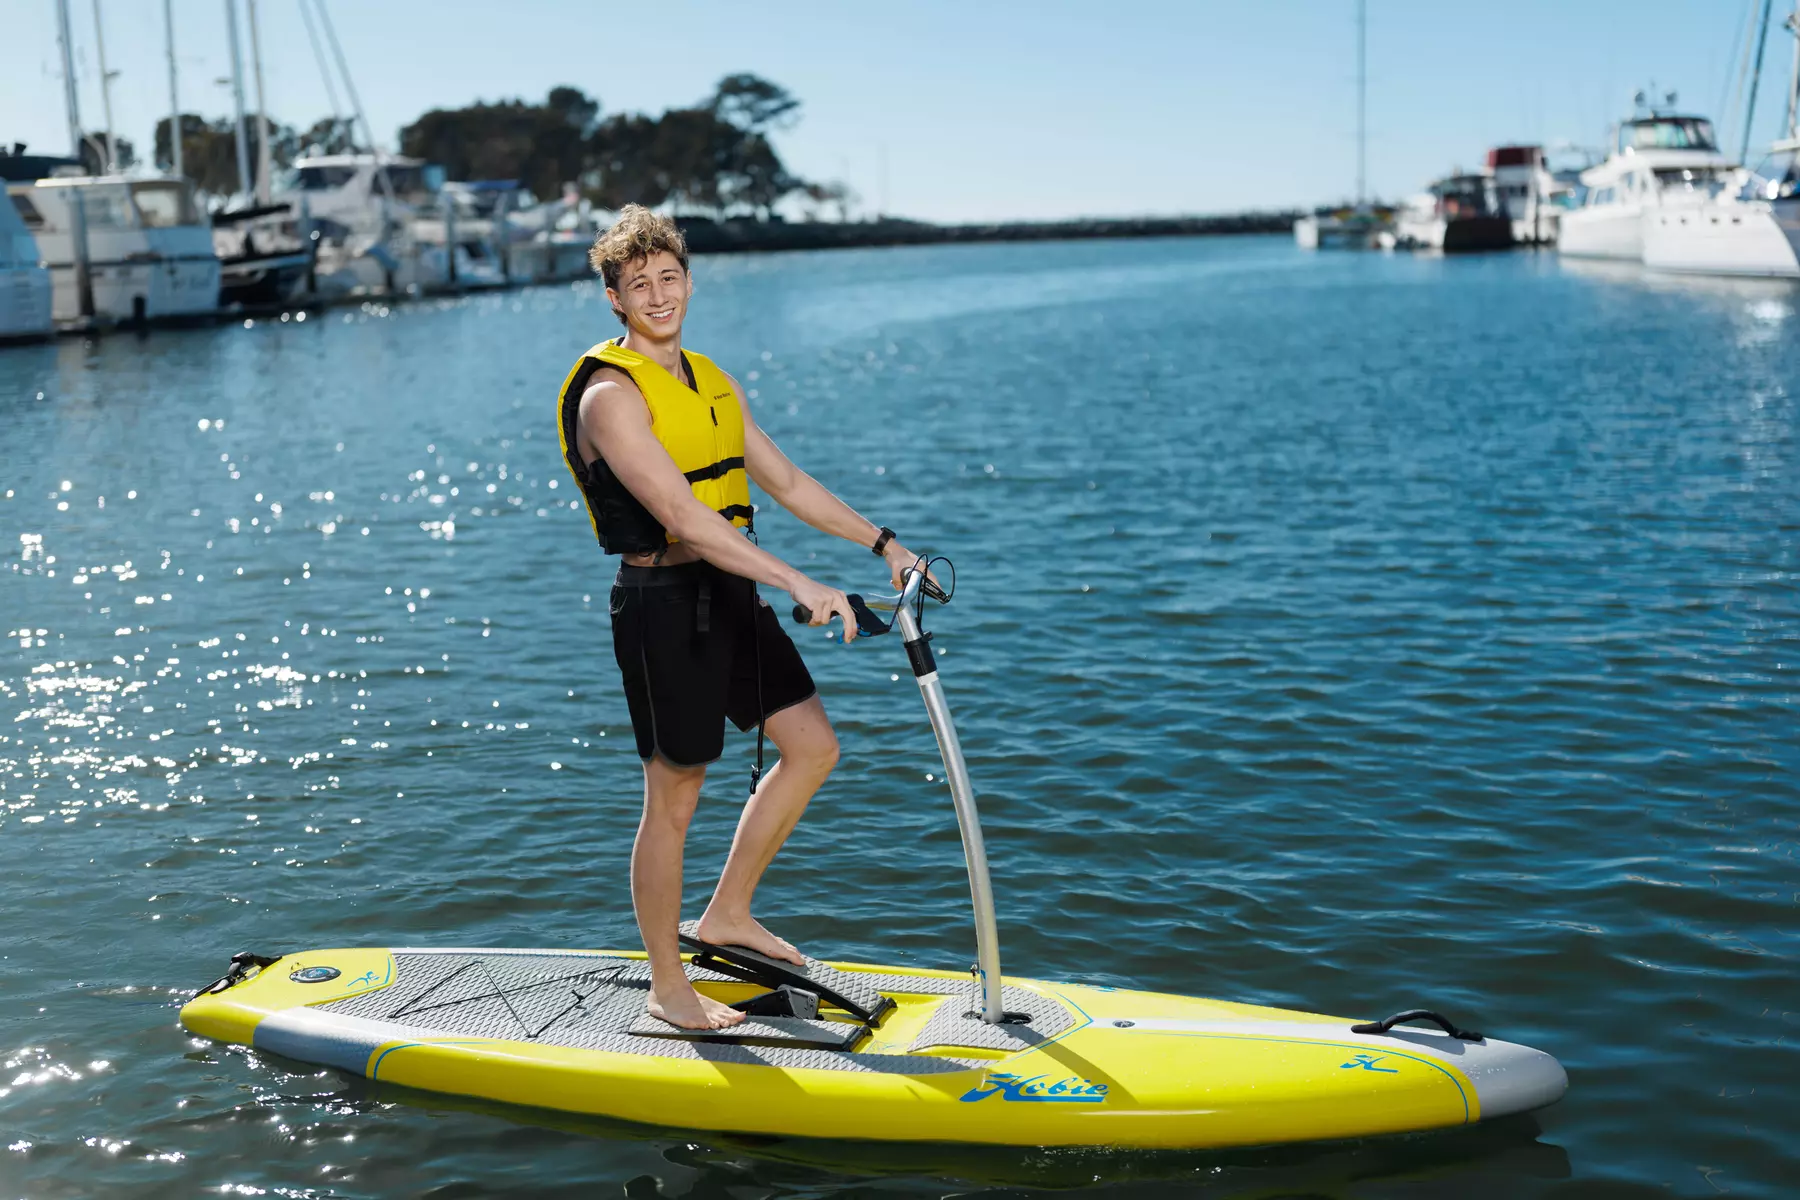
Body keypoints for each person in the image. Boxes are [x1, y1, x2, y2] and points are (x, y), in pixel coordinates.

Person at [556, 206, 924, 1030]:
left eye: (669, 277)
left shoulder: (710, 379)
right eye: (638, 284)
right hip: (661, 607)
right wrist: (800, 582)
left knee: (812, 746)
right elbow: (685, 518)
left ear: (688, 280)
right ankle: (667, 988)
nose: (658, 295)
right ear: (613, 298)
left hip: (730, 594)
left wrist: (884, 545)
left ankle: (726, 913)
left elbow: (786, 483)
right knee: (675, 798)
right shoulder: (609, 397)